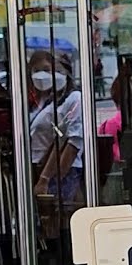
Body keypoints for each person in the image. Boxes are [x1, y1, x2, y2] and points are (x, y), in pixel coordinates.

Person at [27, 49, 84, 201]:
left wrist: (47, 179)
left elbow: (72, 143)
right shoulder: (48, 101)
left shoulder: (75, 98)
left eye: (56, 71)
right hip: (40, 168)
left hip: (61, 172)